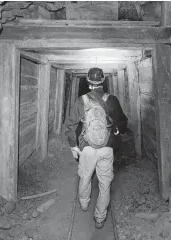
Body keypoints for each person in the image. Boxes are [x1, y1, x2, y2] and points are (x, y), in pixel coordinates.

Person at [65, 67, 128, 229]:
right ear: (102, 81)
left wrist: (73, 146)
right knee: (105, 183)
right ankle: (100, 218)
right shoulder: (112, 100)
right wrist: (116, 130)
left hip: (87, 148)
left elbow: (70, 125)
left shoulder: (81, 101)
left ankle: (84, 204)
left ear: (87, 81)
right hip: (107, 149)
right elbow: (123, 123)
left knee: (85, 177)